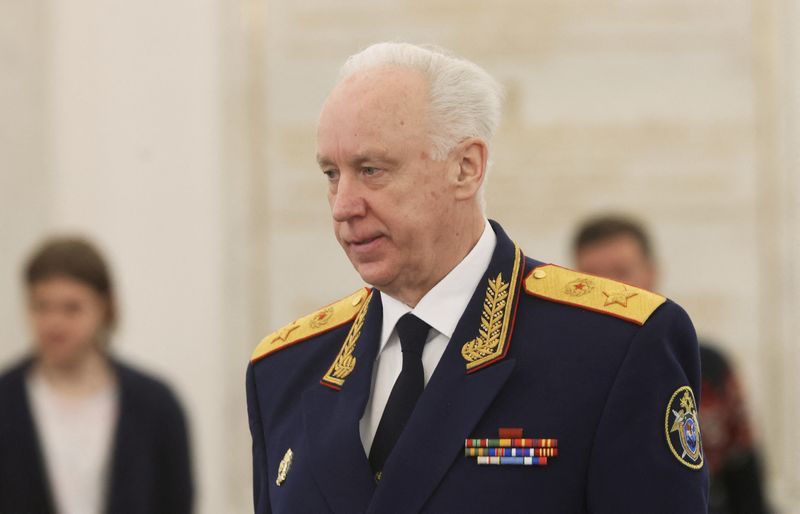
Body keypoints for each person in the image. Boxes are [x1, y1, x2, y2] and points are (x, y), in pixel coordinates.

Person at [246, 42, 708, 513]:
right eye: (331, 174)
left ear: (466, 168)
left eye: (372, 170)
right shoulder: (286, 368)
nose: (344, 206)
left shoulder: (614, 347)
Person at [572, 214, 770, 514]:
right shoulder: (559, 374)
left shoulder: (707, 367)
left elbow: (743, 473)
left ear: (652, 273)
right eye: (591, 277)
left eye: (621, 272)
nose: (609, 290)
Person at [0, 236, 193, 514]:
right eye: (41, 306)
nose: (54, 323)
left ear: (104, 308)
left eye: (71, 308)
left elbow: (177, 501)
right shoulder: (6, 400)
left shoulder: (156, 405)